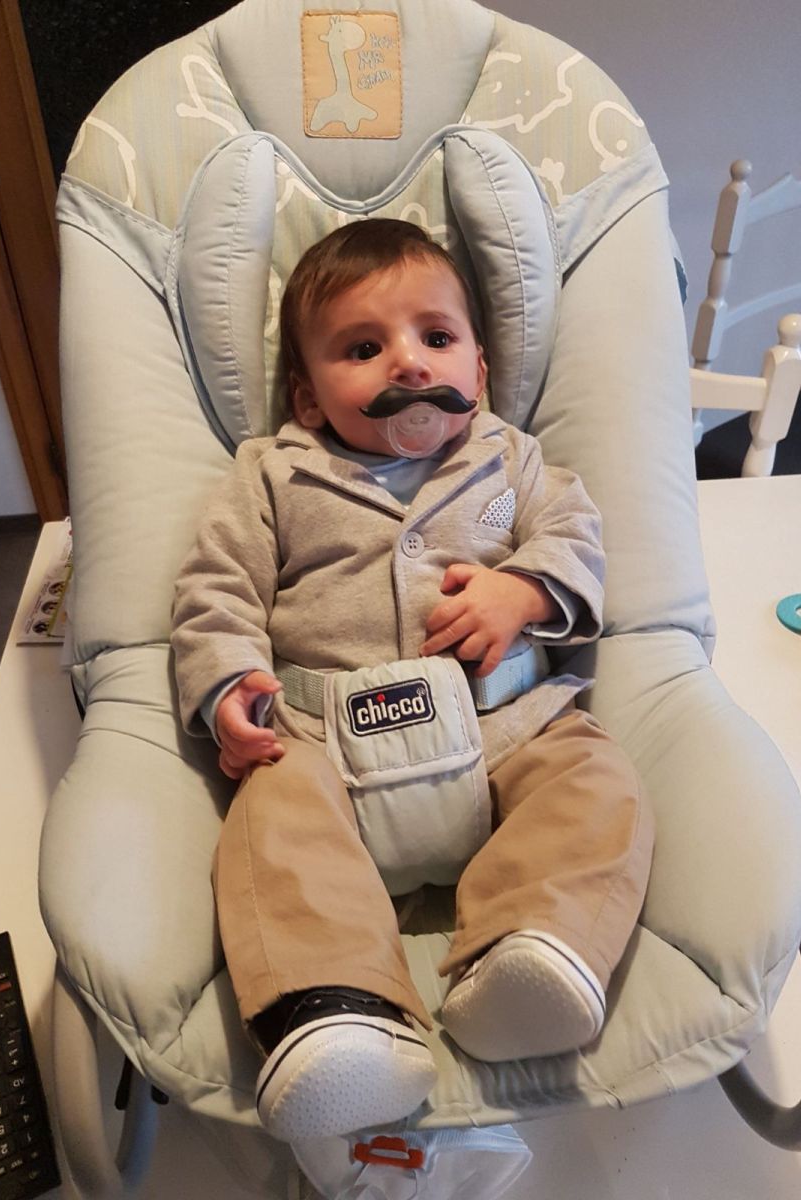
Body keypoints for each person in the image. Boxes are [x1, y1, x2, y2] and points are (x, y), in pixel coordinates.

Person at [171, 219, 654, 1143]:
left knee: (596, 781)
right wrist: (226, 682)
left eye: (436, 337)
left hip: (504, 723)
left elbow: (576, 537)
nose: (407, 362)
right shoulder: (273, 475)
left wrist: (525, 589)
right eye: (363, 349)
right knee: (270, 825)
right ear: (308, 398)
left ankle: (533, 951)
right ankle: (339, 1008)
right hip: (322, 741)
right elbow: (216, 587)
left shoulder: (510, 460)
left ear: (478, 369)